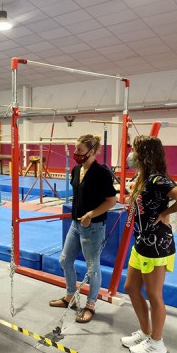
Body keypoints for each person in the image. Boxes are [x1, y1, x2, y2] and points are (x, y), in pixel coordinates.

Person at [121, 135, 177, 353]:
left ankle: (157, 342)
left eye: (134, 150)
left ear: (144, 153)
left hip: (156, 244)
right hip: (141, 241)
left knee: (153, 294)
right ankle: (145, 332)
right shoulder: (144, 178)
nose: (131, 155)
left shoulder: (156, 178)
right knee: (131, 288)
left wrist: (165, 213)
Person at [49, 134, 116, 323]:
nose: (75, 153)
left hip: (92, 226)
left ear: (92, 152)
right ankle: (70, 295)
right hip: (76, 224)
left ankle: (91, 304)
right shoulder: (76, 170)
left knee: (92, 267)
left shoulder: (101, 174)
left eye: (79, 150)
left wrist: (91, 214)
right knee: (65, 260)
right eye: (75, 149)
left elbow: (112, 201)